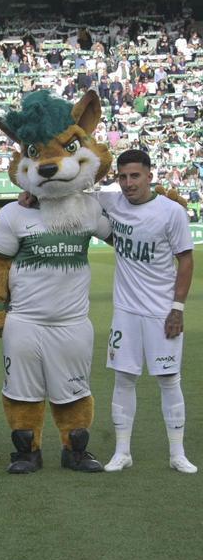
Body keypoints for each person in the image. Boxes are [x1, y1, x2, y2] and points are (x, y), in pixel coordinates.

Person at [99, 150, 196, 473]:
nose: (128, 183)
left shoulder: (171, 212)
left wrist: (177, 308)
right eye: (123, 176)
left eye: (135, 176)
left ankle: (177, 454)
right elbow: (70, 191)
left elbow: (185, 259)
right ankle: (122, 452)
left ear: (149, 176)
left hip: (161, 311)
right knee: (124, 378)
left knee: (169, 379)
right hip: (125, 311)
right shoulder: (112, 203)